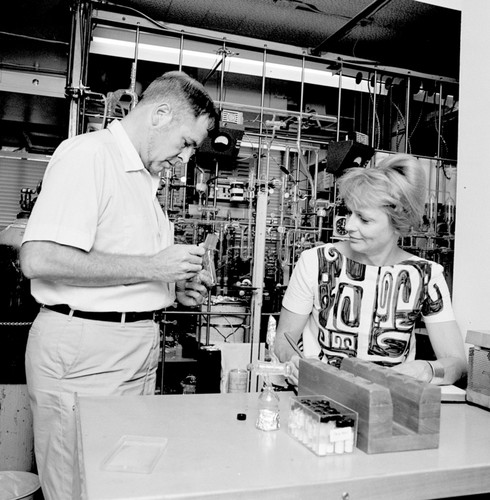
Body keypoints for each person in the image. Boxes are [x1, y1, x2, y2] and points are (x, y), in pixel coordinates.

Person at [19, 71, 218, 500]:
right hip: (85, 351)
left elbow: (129, 269)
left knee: (115, 484)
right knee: (76, 484)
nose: (185, 159)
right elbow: (39, 258)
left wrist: (171, 290)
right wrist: (152, 267)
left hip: (132, 348)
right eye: (185, 143)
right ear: (160, 114)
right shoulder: (89, 156)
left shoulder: (144, 180)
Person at [274, 153, 467, 388]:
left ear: (398, 221)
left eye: (364, 220)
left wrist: (425, 369)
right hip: (318, 400)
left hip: (388, 407)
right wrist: (294, 361)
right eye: (350, 213)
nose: (350, 225)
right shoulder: (315, 262)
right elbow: (284, 341)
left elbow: (457, 363)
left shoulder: (425, 275)